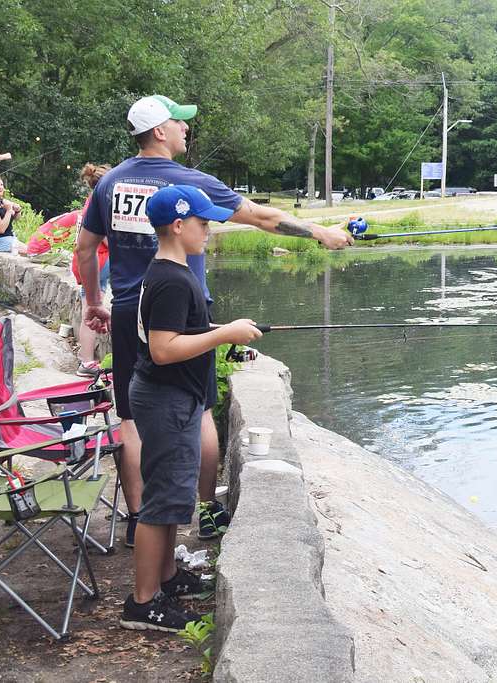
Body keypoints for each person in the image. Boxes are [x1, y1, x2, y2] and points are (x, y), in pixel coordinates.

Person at [75, 95, 354, 547]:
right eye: (180, 123)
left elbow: (86, 249)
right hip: (185, 312)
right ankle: (205, 512)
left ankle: (139, 519)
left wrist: (93, 301)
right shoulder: (192, 183)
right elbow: (262, 217)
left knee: (129, 418)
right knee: (199, 410)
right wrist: (321, 232)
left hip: (130, 312)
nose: (187, 129)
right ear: (160, 131)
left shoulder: (110, 184)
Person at [119, 184, 262, 631]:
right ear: (178, 226)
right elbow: (163, 348)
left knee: (172, 496)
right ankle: (143, 604)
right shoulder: (172, 279)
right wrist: (223, 335)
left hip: (170, 398)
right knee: (161, 502)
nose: (210, 231)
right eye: (203, 223)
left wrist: (224, 329)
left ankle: (167, 577)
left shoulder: (169, 272)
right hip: (166, 400)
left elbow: (178, 329)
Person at [70, 163, 113, 378]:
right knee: (92, 311)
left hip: (84, 261)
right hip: (98, 261)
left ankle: (85, 359)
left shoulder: (90, 202)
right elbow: (105, 238)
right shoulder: (102, 204)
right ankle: (86, 361)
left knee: (88, 307)